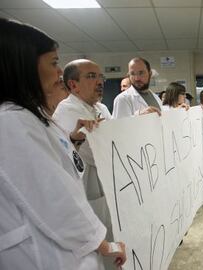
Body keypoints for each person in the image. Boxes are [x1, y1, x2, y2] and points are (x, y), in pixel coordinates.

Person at [0, 18, 126, 269]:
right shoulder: (12, 121)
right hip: (46, 250)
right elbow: (53, 195)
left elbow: (65, 161)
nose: (59, 72)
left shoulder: (32, 117)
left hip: (72, 233)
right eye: (54, 63)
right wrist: (102, 243)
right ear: (24, 67)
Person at [53, 59, 116, 269]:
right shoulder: (67, 110)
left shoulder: (101, 107)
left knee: (112, 239)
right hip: (88, 188)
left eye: (100, 77)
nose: (99, 82)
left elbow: (118, 139)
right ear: (73, 85)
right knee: (98, 249)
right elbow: (94, 154)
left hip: (108, 185)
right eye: (91, 76)